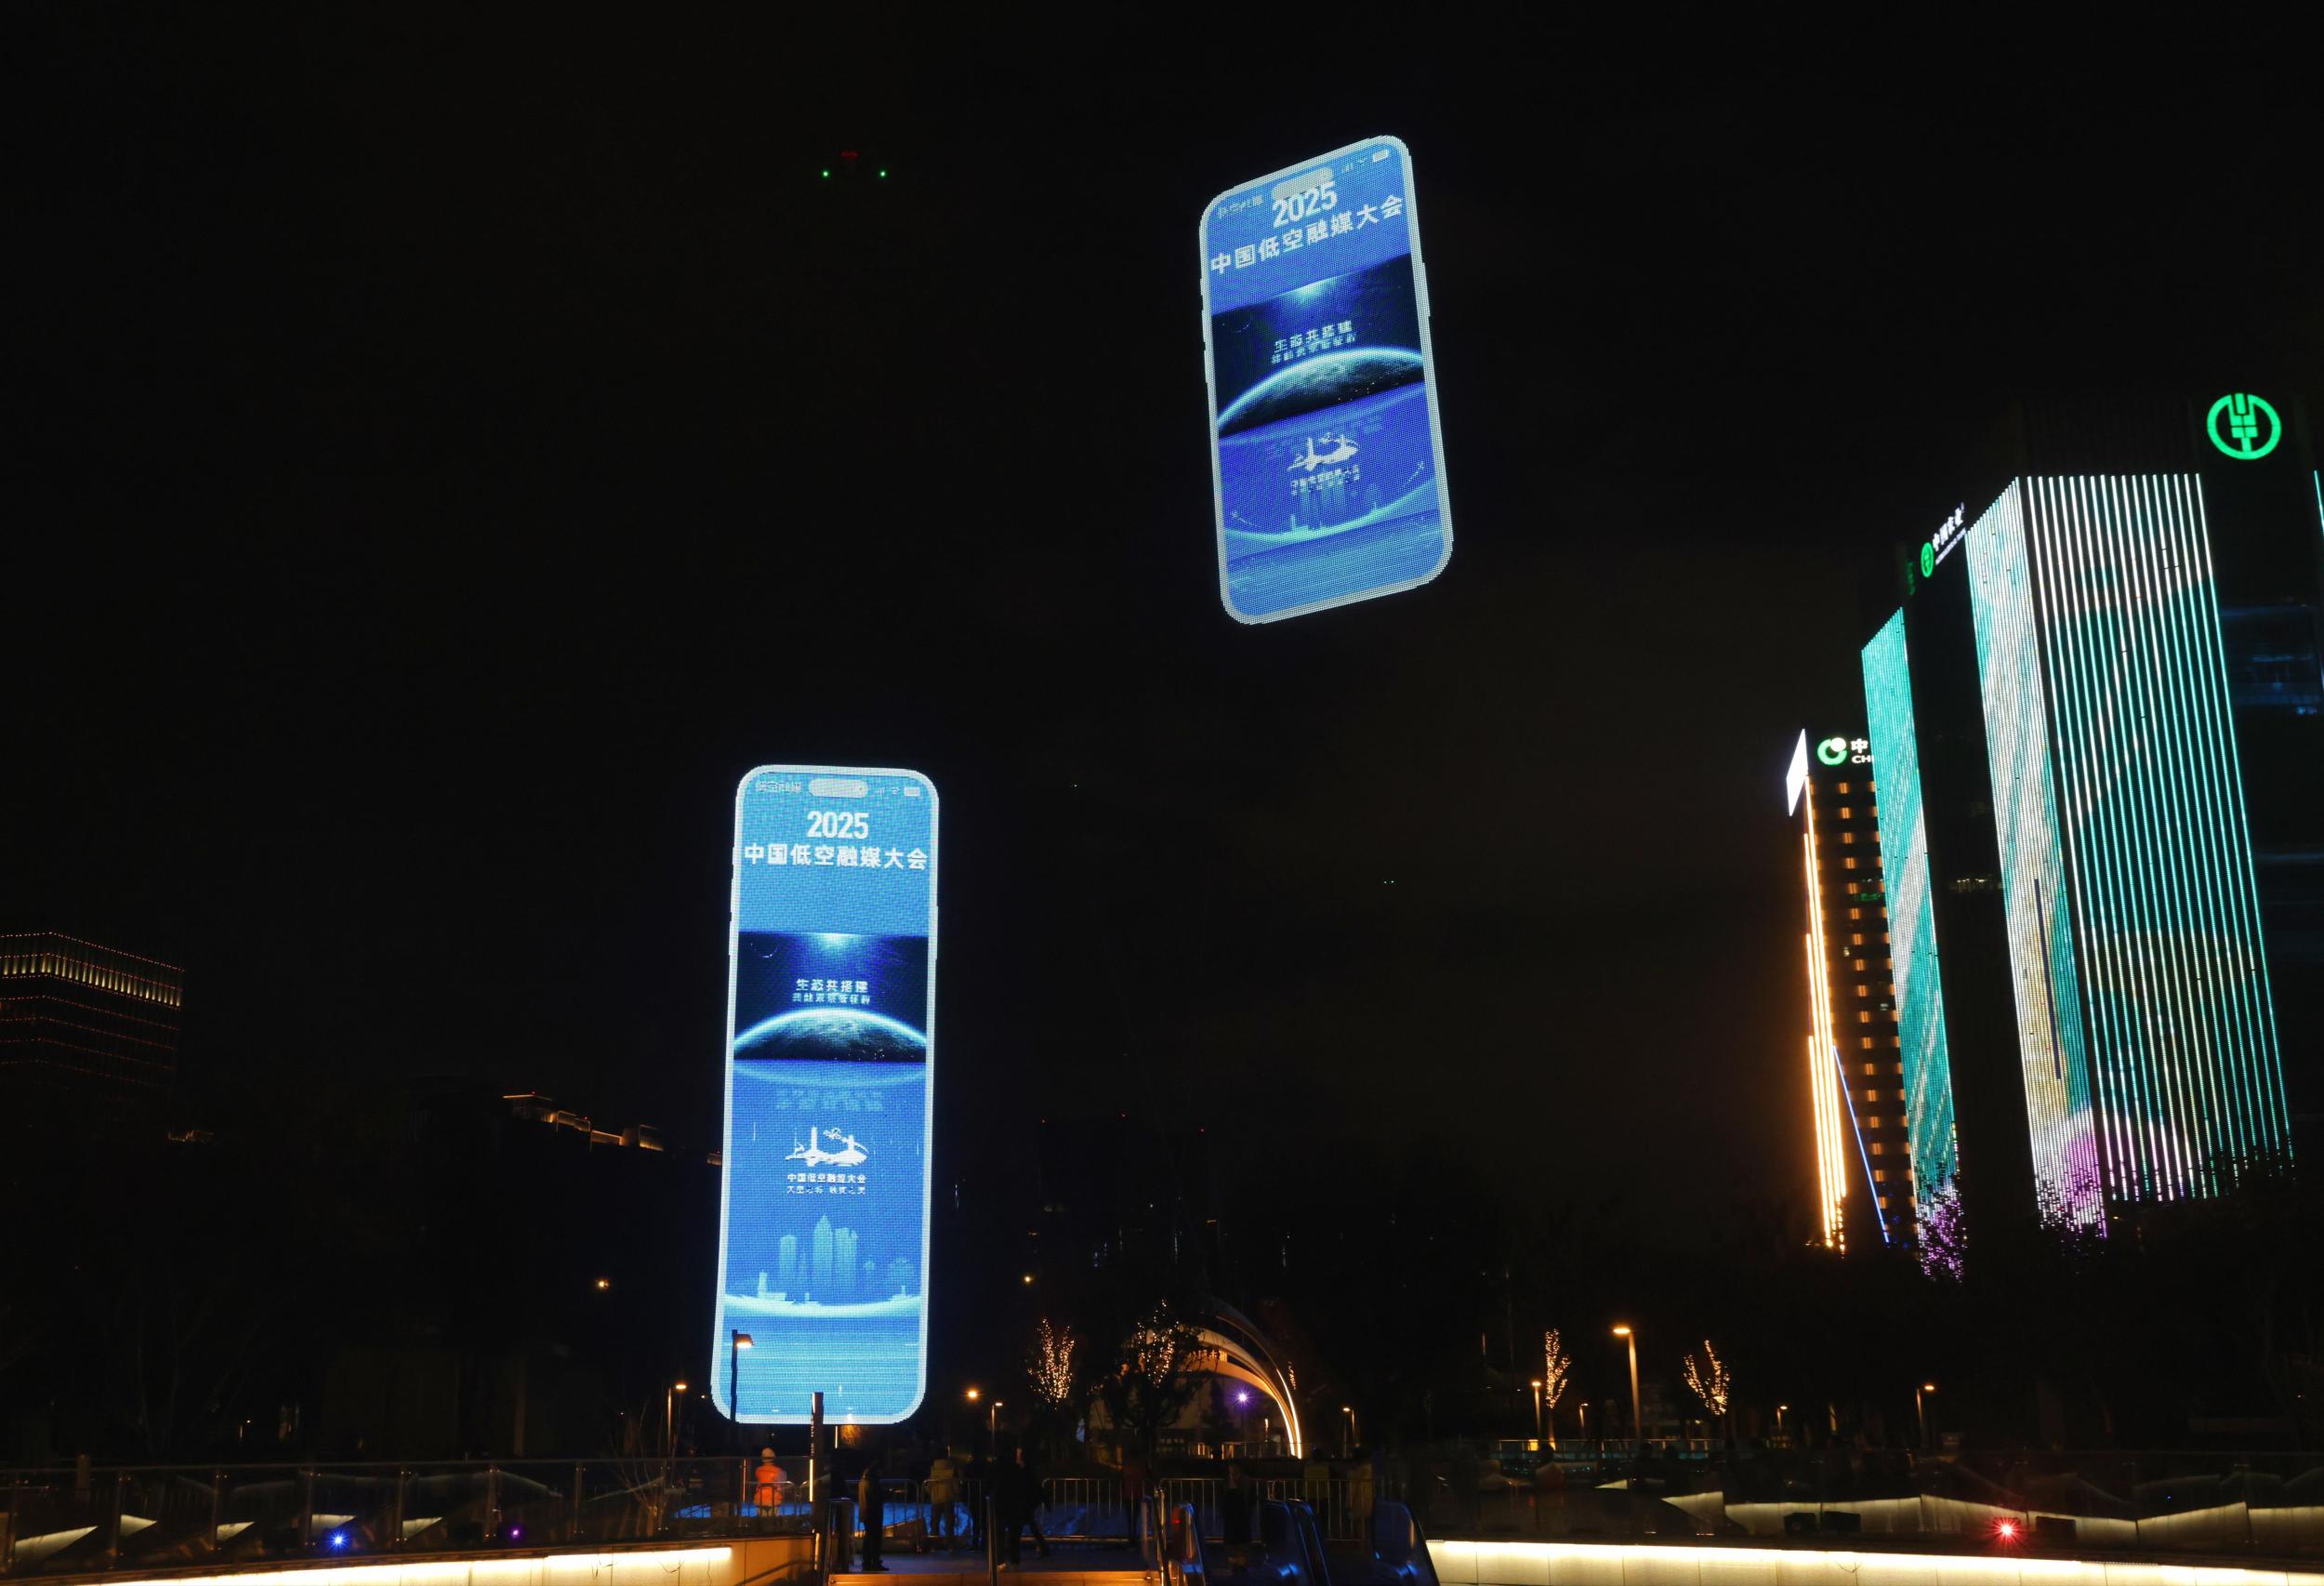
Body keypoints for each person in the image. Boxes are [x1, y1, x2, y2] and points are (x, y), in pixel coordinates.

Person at [1012, 1445, 1051, 1560]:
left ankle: (1014, 1551)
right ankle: (1043, 1548)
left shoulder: (1025, 1471)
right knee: (1029, 1526)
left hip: (1026, 1503)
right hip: (1026, 1503)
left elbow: (1035, 1486)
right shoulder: (1025, 1471)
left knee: (1021, 1527)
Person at [926, 1448, 960, 1551]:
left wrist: (932, 1493)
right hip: (948, 1498)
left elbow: (928, 1485)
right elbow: (956, 1486)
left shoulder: (934, 1470)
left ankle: (934, 1544)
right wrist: (955, 1493)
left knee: (935, 1522)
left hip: (936, 1498)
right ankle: (950, 1544)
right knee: (949, 1523)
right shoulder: (950, 1470)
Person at [857, 1461, 888, 1571]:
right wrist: (886, 1494)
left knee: (869, 1538)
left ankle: (867, 1562)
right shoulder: (872, 1482)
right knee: (875, 1539)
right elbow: (876, 1498)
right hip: (874, 1514)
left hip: (867, 1514)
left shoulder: (864, 1480)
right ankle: (874, 1561)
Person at [964, 1448, 990, 1552]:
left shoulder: (969, 1466)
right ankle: (984, 1542)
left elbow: (966, 1479)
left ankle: (976, 1543)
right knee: (984, 1520)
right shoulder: (987, 1465)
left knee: (976, 1520)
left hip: (973, 1495)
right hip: (984, 1495)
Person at [755, 1448, 783, 1513]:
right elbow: (780, 1486)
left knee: (761, 1517)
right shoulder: (778, 1470)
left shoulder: (758, 1470)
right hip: (774, 1498)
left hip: (760, 1498)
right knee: (773, 1517)